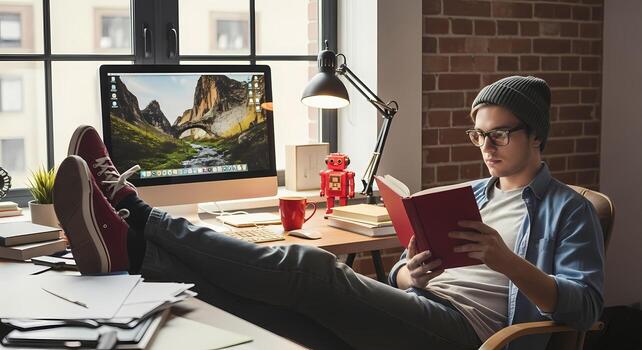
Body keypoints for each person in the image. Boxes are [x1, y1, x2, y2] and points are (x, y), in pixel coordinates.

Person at [53, 76, 604, 350]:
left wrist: (507, 262)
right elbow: (399, 279)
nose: (486, 146)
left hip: (471, 336)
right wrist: (412, 269)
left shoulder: (568, 211)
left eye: (500, 133)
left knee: (311, 269)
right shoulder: (474, 195)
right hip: (422, 306)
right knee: (270, 317)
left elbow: (585, 309)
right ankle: (137, 254)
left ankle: (139, 216)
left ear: (537, 135)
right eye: (479, 134)